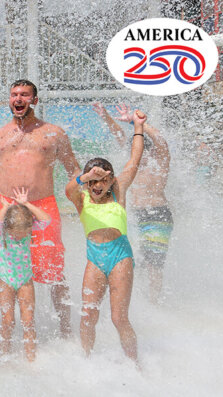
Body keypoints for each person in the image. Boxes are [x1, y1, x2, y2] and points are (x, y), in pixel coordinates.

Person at [0, 80, 82, 339]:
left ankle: (65, 329)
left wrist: (79, 194)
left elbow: (73, 169)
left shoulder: (53, 133)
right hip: (7, 208)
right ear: (9, 99)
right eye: (14, 94)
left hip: (43, 207)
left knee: (54, 271)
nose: (18, 98)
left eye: (24, 95)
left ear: (34, 99)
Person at [65, 109, 148, 365]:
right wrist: (83, 177)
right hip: (95, 257)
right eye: (92, 181)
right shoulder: (82, 199)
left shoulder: (119, 192)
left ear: (111, 180)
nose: (97, 185)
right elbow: (69, 189)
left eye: (102, 180)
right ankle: (86, 361)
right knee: (88, 314)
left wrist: (139, 127)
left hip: (120, 256)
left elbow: (134, 160)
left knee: (118, 318)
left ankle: (135, 365)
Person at [93, 103, 172, 304]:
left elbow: (161, 141)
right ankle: (139, 298)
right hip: (133, 215)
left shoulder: (159, 162)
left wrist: (137, 123)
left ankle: (153, 301)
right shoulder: (133, 164)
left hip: (156, 215)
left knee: (154, 262)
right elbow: (119, 135)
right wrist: (106, 117)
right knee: (135, 259)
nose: (138, 153)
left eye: (142, 150)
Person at [0, 187, 51, 362]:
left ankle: (31, 359)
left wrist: (26, 204)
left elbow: (46, 219)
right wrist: (5, 208)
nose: (19, 238)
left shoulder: (28, 230)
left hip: (25, 281)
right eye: (15, 235)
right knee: (8, 321)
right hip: (5, 282)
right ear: (7, 228)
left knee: (28, 321)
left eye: (23, 234)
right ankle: (4, 355)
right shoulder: (0, 232)